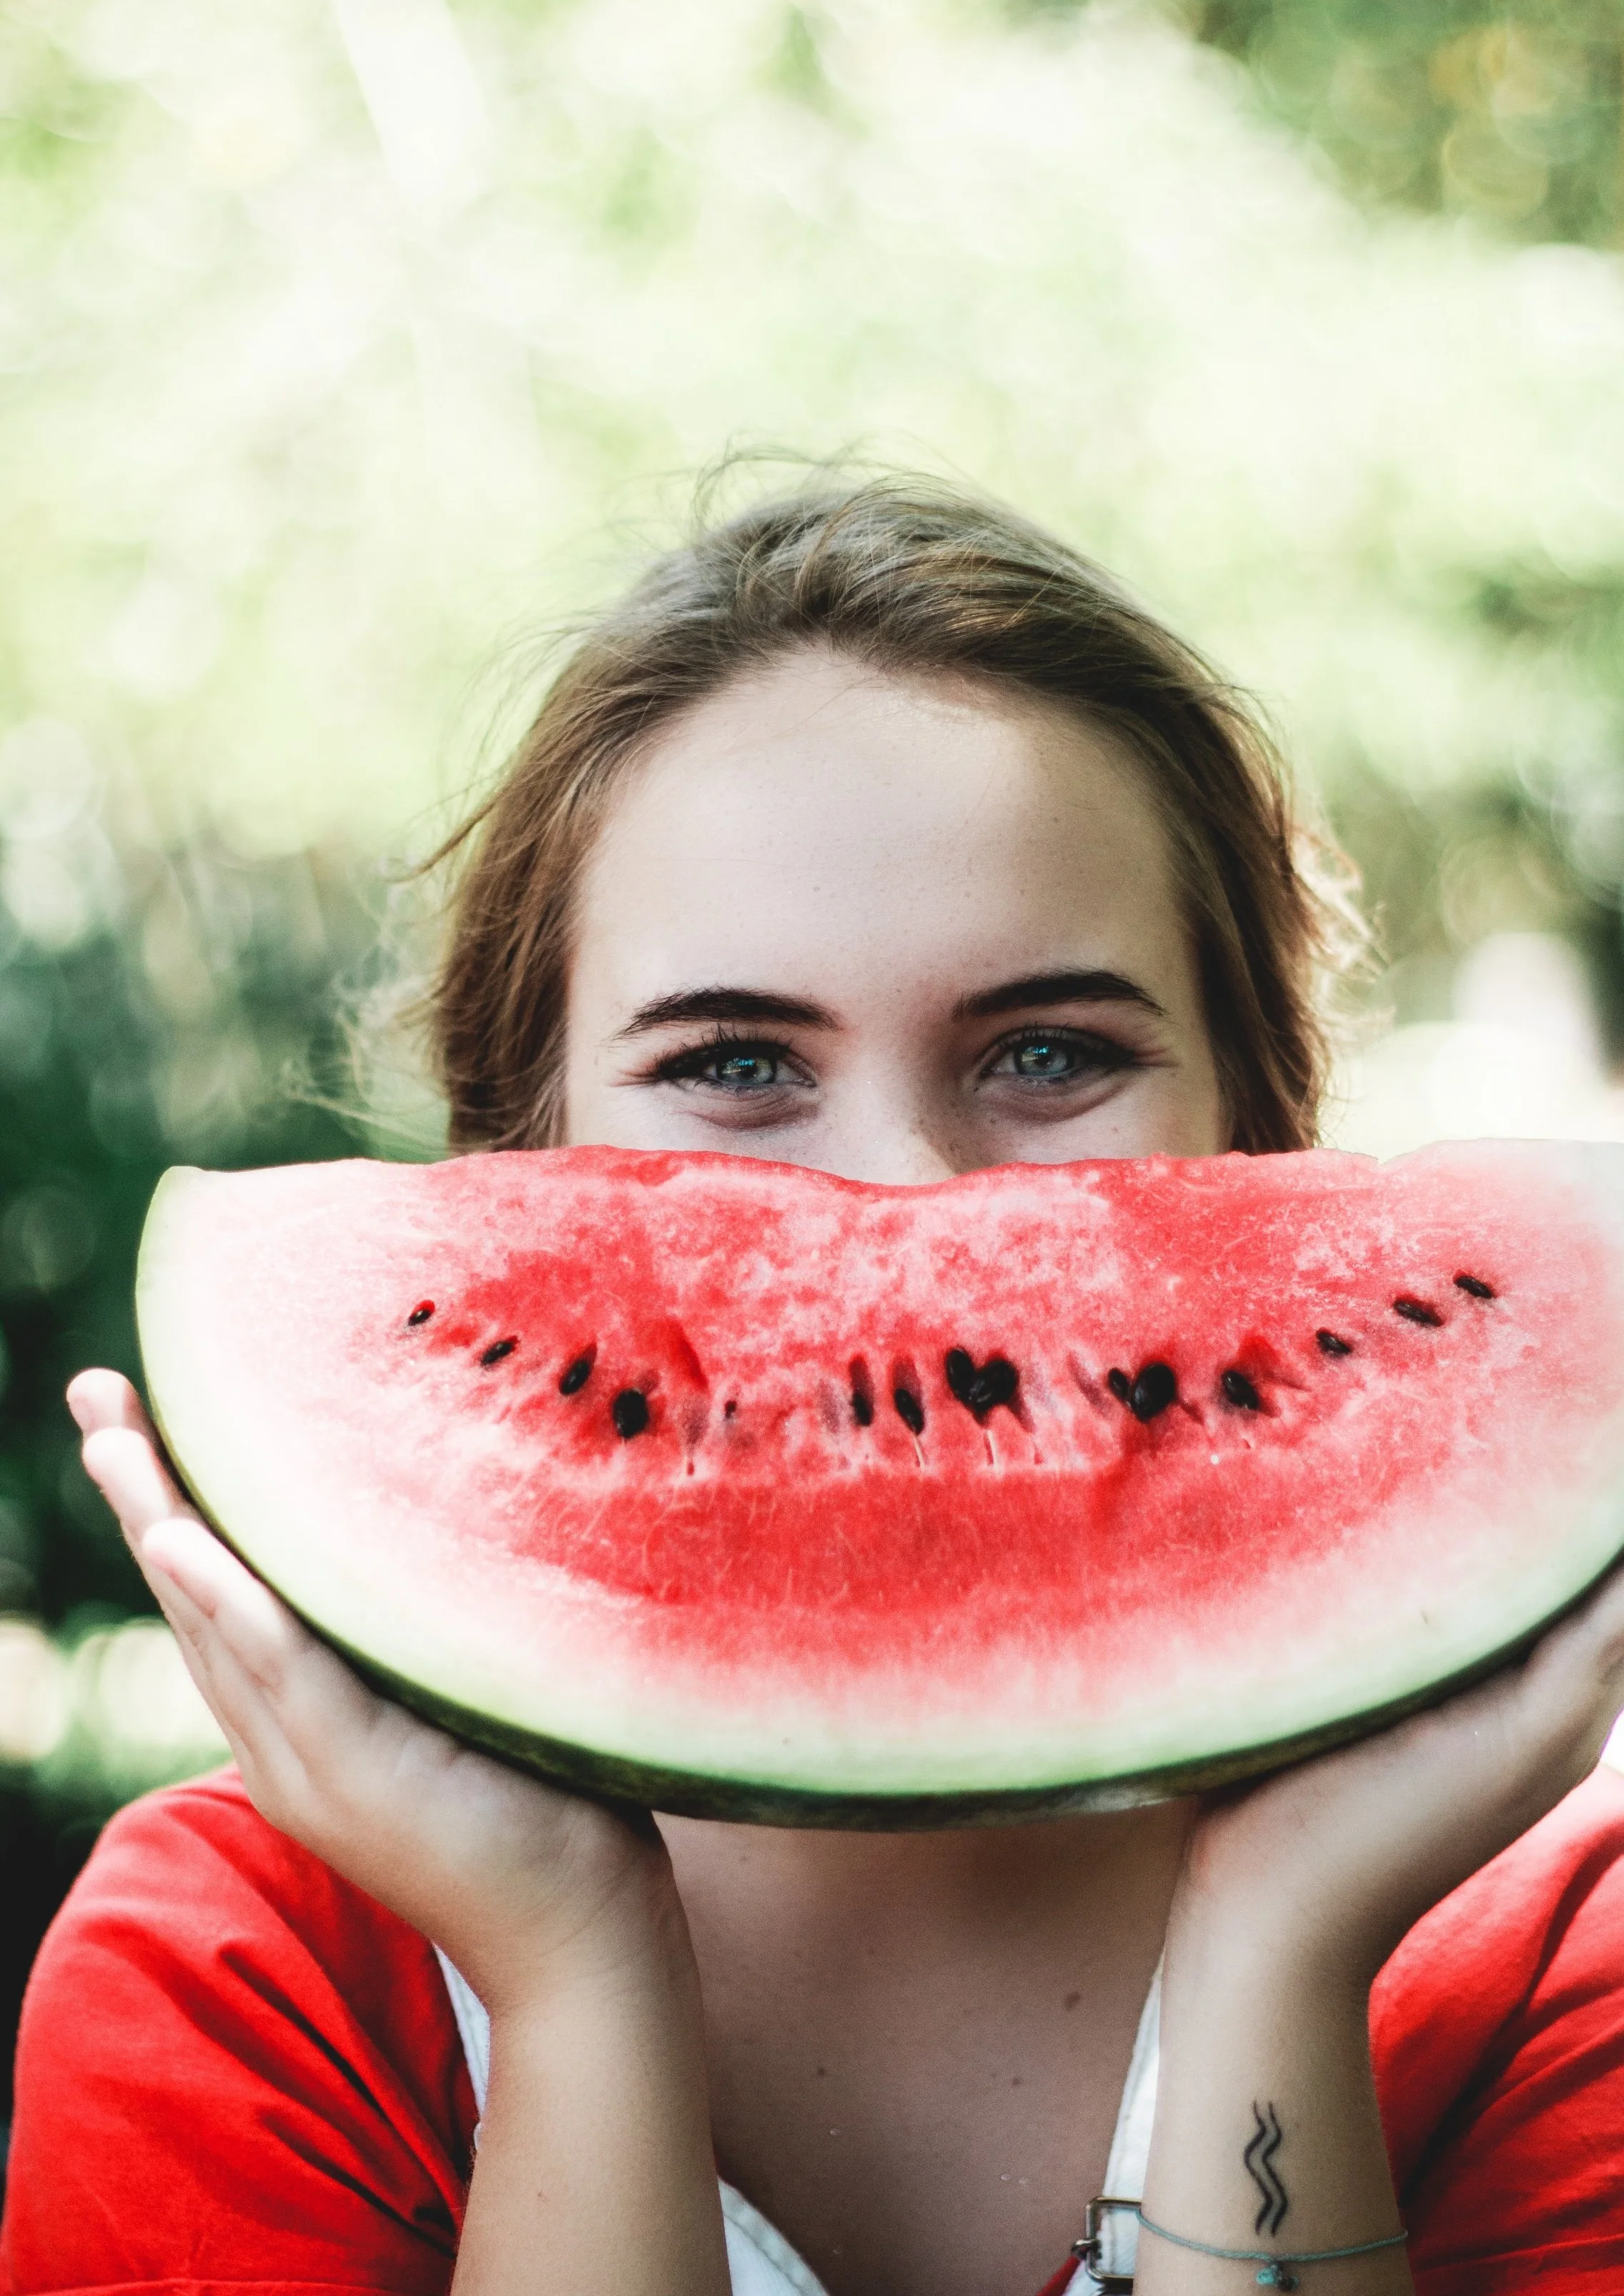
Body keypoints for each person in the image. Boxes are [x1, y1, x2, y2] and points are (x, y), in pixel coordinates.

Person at [8, 477, 1624, 2296]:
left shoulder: (1558, 1954)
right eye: (736, 1063)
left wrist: (1276, 1954)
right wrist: (570, 1974)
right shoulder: (245, 1971)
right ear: (510, 1166)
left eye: (1045, 1051)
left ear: (1262, 1134)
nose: (904, 1208)